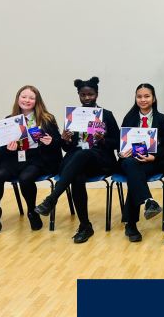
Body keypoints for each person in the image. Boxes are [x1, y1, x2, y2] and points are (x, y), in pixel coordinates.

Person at [35, 77, 119, 243]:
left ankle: (52, 199)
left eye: (90, 94)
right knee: (77, 176)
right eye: (83, 95)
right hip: (76, 162)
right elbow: (67, 148)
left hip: (100, 160)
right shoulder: (74, 115)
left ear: (97, 94)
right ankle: (85, 225)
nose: (87, 98)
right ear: (79, 95)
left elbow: (117, 142)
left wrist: (102, 139)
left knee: (83, 154)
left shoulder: (106, 115)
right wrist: (65, 139)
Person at [0, 86, 62, 234]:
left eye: (31, 98)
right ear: (18, 99)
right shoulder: (9, 120)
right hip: (15, 158)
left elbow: (58, 142)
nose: (27, 100)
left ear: (37, 101)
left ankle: (32, 212)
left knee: (25, 178)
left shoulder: (47, 118)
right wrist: (8, 148)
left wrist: (50, 142)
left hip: (38, 158)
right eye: (24, 97)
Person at [118, 83, 164, 242]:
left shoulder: (162, 119)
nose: (143, 99)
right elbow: (120, 145)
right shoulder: (129, 118)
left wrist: (154, 157)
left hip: (152, 162)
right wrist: (122, 152)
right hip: (130, 161)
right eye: (139, 96)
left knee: (135, 177)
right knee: (132, 166)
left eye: (147, 96)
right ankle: (148, 201)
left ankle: (131, 224)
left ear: (153, 98)